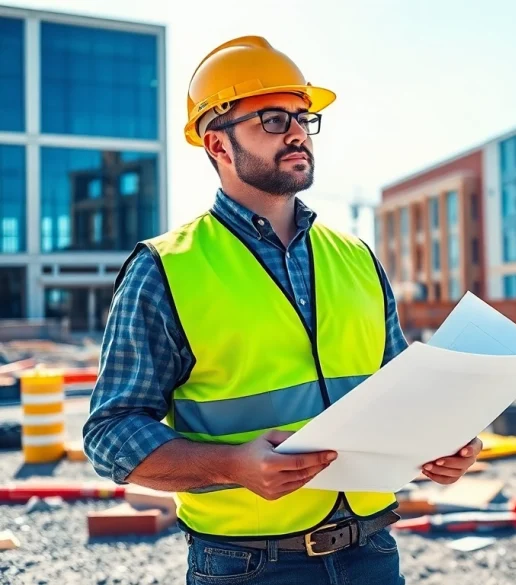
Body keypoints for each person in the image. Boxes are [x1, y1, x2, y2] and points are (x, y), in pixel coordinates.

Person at [82, 36, 482, 585]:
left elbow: (400, 393)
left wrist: (443, 442)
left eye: (303, 117)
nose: (297, 132)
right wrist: (232, 465)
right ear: (218, 145)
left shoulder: (357, 258)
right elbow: (111, 434)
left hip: (372, 551)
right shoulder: (165, 268)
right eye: (272, 119)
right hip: (248, 566)